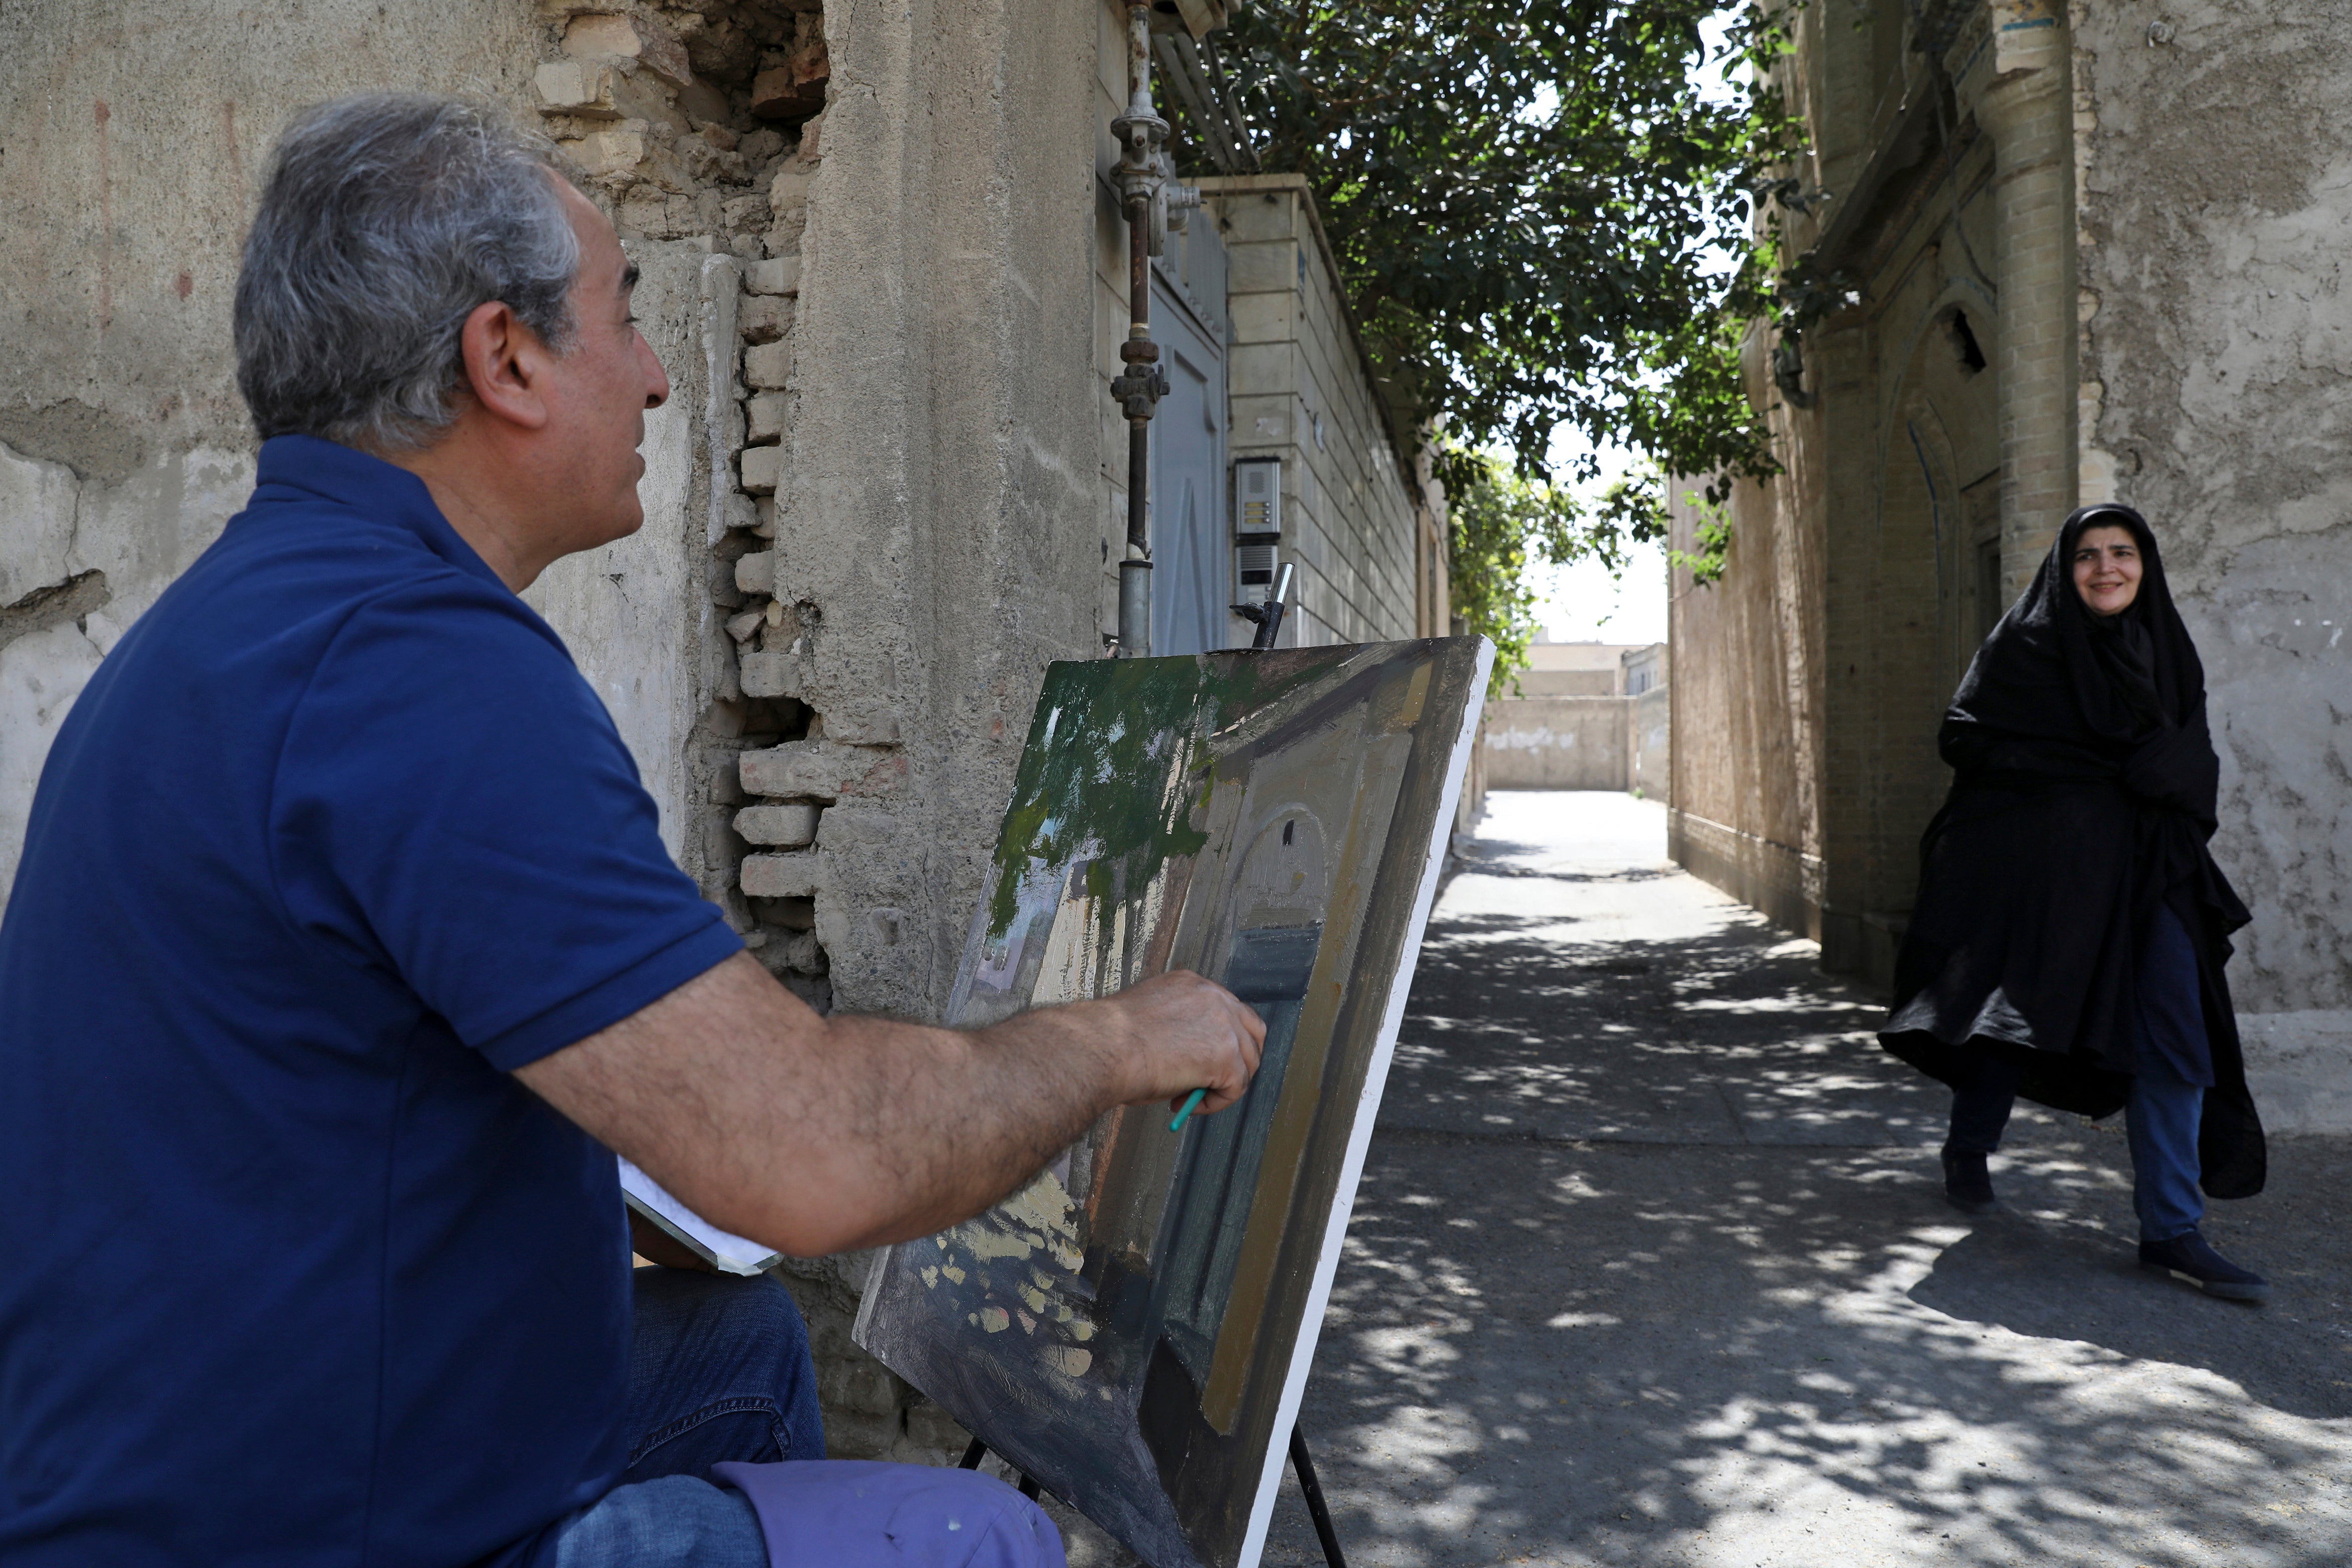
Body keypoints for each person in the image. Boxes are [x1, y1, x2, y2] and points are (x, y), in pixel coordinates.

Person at [0, 93, 1266, 1565]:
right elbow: (811, 1158)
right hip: (280, 1528)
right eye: (625, 315)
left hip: (208, 1434)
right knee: (979, 1535)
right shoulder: (415, 670)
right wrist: (1116, 1042)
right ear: (508, 359)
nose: (660, 378)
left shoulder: (253, 615)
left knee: (735, 1345)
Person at [1878, 504, 2268, 1303]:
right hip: (2046, 875)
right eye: (2088, 555)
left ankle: (2171, 1230)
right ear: (2066, 568)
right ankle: (1970, 1143)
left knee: (2176, 1032)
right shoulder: (2027, 645)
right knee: (2015, 1015)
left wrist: (2157, 774)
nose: (2106, 568)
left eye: (2122, 552)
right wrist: (2072, 777)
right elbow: (1965, 736)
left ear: (2145, 565)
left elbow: (2194, 759)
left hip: (2151, 874)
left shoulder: (2168, 651)